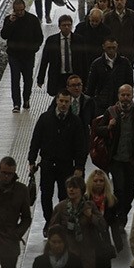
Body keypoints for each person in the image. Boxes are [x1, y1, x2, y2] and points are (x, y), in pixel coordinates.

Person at [29, 90, 87, 235]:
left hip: (66, 165)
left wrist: (79, 166)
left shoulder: (75, 122)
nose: (63, 104)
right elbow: (35, 140)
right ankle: (49, 221)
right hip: (47, 164)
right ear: (56, 100)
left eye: (66, 102)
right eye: (61, 101)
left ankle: (62, 222)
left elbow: (81, 146)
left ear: (70, 103)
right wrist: (32, 160)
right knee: (46, 195)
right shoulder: (45, 118)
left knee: (65, 195)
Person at [96, 84, 134, 227]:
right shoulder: (111, 112)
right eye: (123, 95)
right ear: (118, 96)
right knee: (119, 189)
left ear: (132, 96)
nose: (125, 98)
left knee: (130, 190)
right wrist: (109, 126)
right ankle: (119, 215)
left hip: (131, 160)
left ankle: (124, 211)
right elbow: (98, 130)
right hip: (115, 159)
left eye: (128, 95)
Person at [50, 175, 107, 268]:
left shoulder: (89, 206)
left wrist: (91, 216)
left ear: (82, 190)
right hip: (68, 253)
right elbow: (52, 229)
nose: (71, 190)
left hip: (87, 253)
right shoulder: (61, 208)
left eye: (75, 187)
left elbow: (103, 226)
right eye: (69, 187)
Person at [0, 0, 43, 112]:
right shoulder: (9, 20)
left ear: (24, 8)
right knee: (15, 79)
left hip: (28, 55)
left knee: (28, 79)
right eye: (17, 11)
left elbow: (39, 36)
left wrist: (34, 48)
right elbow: (4, 35)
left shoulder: (32, 19)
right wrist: (10, 23)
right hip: (14, 55)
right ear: (13, 10)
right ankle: (16, 103)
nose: (19, 13)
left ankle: (26, 99)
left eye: (21, 10)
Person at [84, 170, 120, 268]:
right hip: (87, 244)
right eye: (95, 181)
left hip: (102, 244)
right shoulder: (84, 200)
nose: (98, 183)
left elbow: (114, 223)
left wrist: (118, 243)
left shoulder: (111, 200)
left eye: (101, 181)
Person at [38, 15, 86, 96]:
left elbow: (84, 60)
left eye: (69, 25)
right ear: (59, 26)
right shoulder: (51, 40)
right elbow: (44, 60)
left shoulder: (79, 40)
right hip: (58, 76)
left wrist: (85, 79)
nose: (67, 27)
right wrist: (40, 79)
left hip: (74, 75)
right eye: (64, 25)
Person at [86, 37, 134, 112]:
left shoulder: (125, 62)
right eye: (109, 47)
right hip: (101, 104)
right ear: (103, 47)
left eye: (113, 47)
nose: (111, 50)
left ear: (117, 46)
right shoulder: (97, 64)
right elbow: (91, 86)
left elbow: (130, 83)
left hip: (120, 103)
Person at [103, 0, 134, 64]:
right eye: (117, 0)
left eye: (121, 0)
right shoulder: (107, 17)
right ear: (113, 2)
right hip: (112, 54)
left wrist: (133, 49)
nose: (119, 2)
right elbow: (104, 34)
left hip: (128, 54)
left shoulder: (133, 16)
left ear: (125, 1)